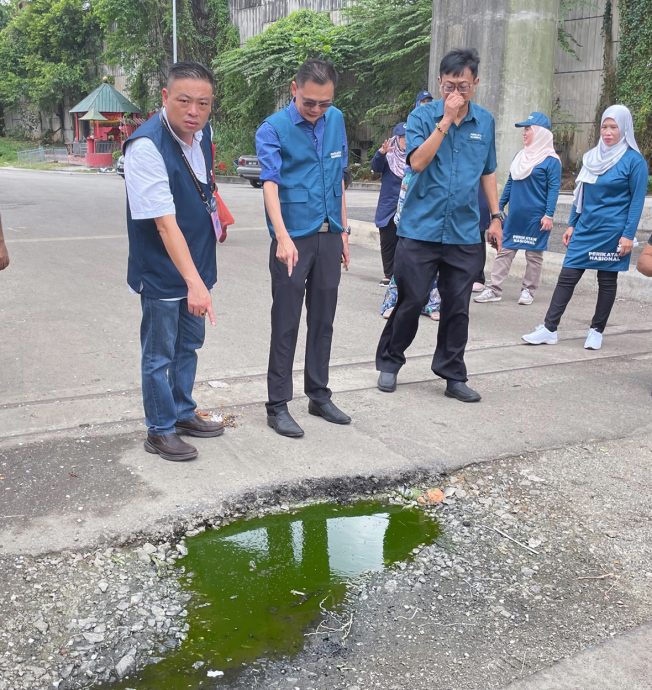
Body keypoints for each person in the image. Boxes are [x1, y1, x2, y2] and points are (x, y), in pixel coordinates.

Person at [375, 48, 503, 403]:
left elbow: (489, 171)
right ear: (440, 83)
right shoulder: (422, 117)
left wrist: (495, 217)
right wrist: (445, 120)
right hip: (420, 229)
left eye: (463, 86)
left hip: (463, 232)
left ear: (475, 83)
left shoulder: (485, 122)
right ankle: (389, 362)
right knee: (411, 299)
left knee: (457, 305)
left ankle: (452, 373)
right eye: (449, 86)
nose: (455, 94)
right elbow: (416, 162)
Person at [124, 61, 225, 463]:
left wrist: (200, 278)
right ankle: (160, 429)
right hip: (164, 274)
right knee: (159, 353)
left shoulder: (201, 137)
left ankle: (182, 412)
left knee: (189, 345)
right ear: (165, 98)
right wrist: (193, 283)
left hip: (197, 267)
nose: (193, 111)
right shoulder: (146, 146)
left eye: (203, 103)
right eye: (184, 101)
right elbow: (166, 227)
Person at [256, 59, 351, 438]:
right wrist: (281, 236)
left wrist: (343, 233)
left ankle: (318, 394)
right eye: (309, 102)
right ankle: (277, 404)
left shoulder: (336, 120)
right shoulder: (273, 128)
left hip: (329, 234)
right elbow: (270, 185)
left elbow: (339, 177)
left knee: (324, 319)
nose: (316, 110)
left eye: (324, 103)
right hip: (292, 237)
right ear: (294, 88)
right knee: (286, 323)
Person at [522, 104, 647, 350]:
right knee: (567, 276)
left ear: (624, 128)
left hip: (613, 231)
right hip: (585, 227)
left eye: (614, 127)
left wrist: (628, 235)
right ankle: (549, 328)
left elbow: (637, 202)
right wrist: (571, 224)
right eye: (604, 126)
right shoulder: (591, 157)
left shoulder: (634, 161)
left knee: (607, 280)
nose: (608, 132)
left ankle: (596, 330)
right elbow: (581, 192)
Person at [475, 112, 561, 306]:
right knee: (505, 251)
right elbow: (510, 184)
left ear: (540, 133)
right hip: (515, 215)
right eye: (524, 129)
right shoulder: (520, 156)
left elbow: (554, 189)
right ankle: (494, 289)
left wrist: (549, 215)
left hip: (536, 217)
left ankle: (528, 291)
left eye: (528, 129)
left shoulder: (551, 160)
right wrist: (497, 209)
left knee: (533, 255)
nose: (524, 133)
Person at [372, 122, 407, 286]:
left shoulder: (416, 155)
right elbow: (376, 168)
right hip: (389, 206)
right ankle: (389, 274)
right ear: (396, 138)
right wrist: (381, 153)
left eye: (408, 137)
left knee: (405, 243)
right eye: (402, 138)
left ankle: (402, 274)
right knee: (387, 240)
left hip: (408, 207)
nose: (405, 141)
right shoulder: (388, 156)